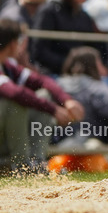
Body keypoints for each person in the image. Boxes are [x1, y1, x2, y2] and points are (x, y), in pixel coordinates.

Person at [0, 19, 84, 172]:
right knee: (17, 102)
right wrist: (53, 109)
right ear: (12, 43)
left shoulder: (7, 65)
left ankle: (36, 164)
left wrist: (67, 101)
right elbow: (15, 92)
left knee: (44, 96)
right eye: (20, 39)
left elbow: (42, 80)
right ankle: (21, 167)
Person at [30, 0, 102, 75]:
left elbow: (92, 45)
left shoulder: (83, 16)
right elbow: (39, 51)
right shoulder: (49, 12)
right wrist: (69, 64)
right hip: (54, 74)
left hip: (82, 75)